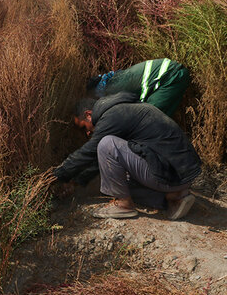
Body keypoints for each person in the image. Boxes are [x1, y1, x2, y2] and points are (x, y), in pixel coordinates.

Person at [54, 91, 201, 220]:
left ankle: (124, 205)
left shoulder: (112, 116)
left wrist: (55, 176)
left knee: (106, 144)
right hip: (180, 174)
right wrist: (76, 181)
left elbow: (90, 152)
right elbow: (99, 161)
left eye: (83, 127)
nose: (86, 133)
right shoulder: (124, 109)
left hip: (172, 174)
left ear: (88, 115)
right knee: (123, 180)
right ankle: (172, 197)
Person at [87, 58, 190, 117]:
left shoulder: (112, 89)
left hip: (172, 76)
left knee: (150, 117)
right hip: (171, 73)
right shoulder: (113, 79)